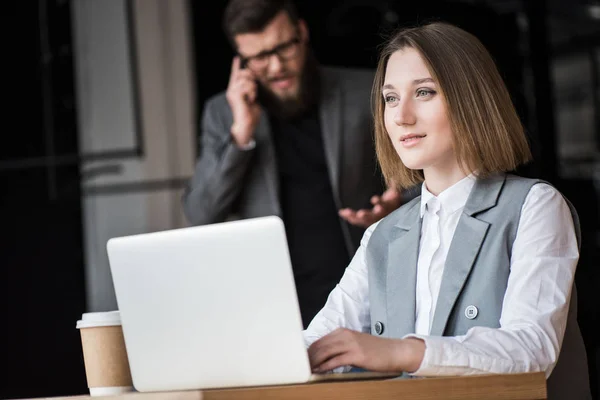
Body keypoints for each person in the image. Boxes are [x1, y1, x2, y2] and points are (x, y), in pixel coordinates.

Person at [303, 22, 591, 400]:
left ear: (470, 99)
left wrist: (400, 352)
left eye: (424, 92)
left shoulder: (535, 205)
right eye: (390, 98)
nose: (401, 116)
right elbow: (317, 342)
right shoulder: (382, 235)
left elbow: (532, 350)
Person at [182, 0, 407, 328]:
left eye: (284, 48)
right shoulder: (222, 113)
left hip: (365, 292)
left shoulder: (367, 90)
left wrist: (398, 206)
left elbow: (422, 179)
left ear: (301, 32)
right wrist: (240, 136)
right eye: (259, 58)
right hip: (271, 304)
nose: (275, 67)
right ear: (241, 60)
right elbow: (201, 212)